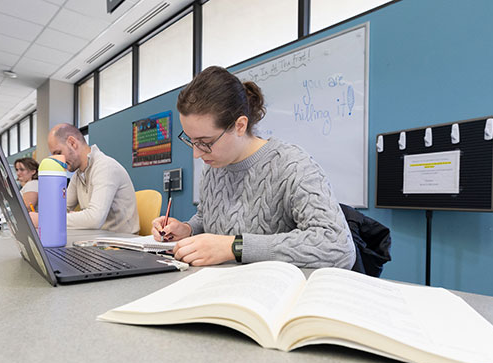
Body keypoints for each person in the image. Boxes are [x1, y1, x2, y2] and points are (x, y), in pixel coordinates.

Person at [152, 66, 355, 268]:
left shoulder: (292, 164)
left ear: (240, 125)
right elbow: (206, 218)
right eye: (192, 141)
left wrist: (235, 247)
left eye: (205, 142)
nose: (196, 153)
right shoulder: (213, 166)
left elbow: (337, 246)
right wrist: (187, 229)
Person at [29, 124, 139, 233]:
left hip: (120, 243)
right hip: (97, 238)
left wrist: (44, 220)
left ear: (72, 143)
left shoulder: (106, 166)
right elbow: (62, 208)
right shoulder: (78, 175)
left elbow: (94, 219)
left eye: (59, 153)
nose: (59, 160)